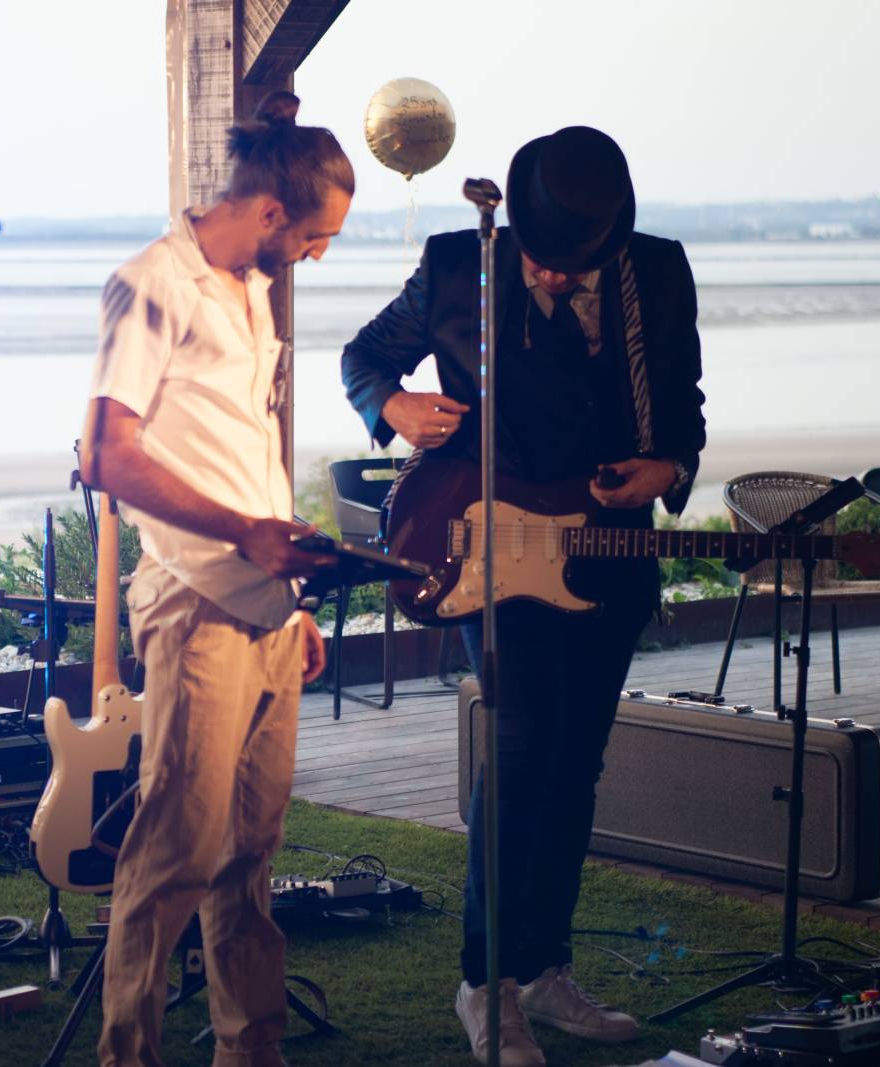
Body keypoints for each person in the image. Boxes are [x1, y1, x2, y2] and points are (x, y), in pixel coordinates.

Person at [341, 126, 705, 1066]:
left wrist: (667, 464)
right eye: (538, 259)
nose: (548, 276)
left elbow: (685, 404)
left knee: (575, 766)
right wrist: (396, 406)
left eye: (568, 264)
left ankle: (544, 968)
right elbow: (363, 356)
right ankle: (485, 980)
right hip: (490, 550)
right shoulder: (459, 260)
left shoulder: (655, 273)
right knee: (518, 756)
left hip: (607, 557)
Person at [79, 90, 353, 1067]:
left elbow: (247, 454)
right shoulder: (149, 284)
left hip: (268, 616)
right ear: (274, 213)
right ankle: (128, 1054)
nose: (320, 254)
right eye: (318, 236)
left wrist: (295, 598)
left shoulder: (249, 288)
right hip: (193, 603)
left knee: (248, 858)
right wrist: (244, 534)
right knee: (175, 856)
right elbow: (106, 456)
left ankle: (251, 1053)